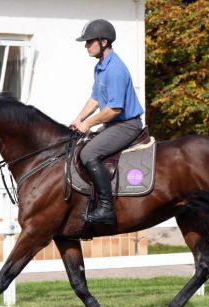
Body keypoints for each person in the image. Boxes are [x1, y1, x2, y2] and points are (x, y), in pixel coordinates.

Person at [70, 19, 144, 226]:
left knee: (88, 153)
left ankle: (106, 209)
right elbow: (95, 98)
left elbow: (115, 108)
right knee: (80, 146)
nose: (86, 46)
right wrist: (79, 119)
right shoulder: (101, 67)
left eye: (89, 42)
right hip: (114, 124)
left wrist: (89, 124)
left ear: (103, 42)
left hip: (126, 124)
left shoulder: (115, 69)